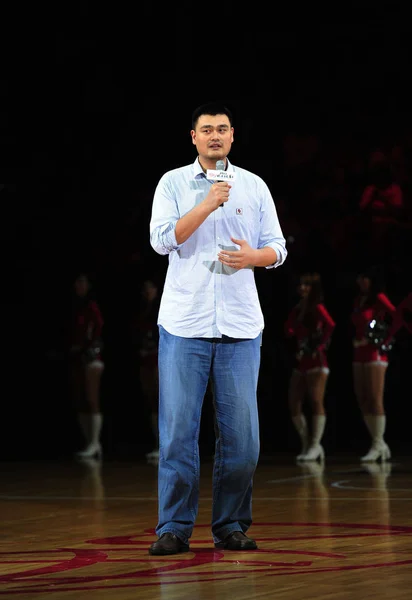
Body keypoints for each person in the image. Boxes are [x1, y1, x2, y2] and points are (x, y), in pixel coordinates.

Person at [148, 102, 287, 556]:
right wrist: (207, 203)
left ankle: (230, 524)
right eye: (206, 129)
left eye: (222, 129)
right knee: (177, 435)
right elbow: (163, 240)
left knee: (243, 441)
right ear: (193, 137)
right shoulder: (172, 183)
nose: (214, 136)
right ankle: (173, 527)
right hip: (185, 324)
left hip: (241, 326)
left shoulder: (254, 185)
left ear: (233, 136)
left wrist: (255, 258)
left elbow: (278, 249)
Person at [285, 272, 335, 462]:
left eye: (307, 285)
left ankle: (316, 444)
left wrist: (319, 345)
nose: (303, 288)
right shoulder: (298, 308)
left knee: (315, 400)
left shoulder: (318, 307)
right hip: (301, 360)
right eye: (301, 285)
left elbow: (331, 325)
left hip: (317, 360)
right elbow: (288, 330)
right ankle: (307, 442)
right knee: (294, 402)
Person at [351, 267, 396, 462]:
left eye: (365, 277)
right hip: (359, 351)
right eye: (359, 277)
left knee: (375, 397)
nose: (361, 281)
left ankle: (378, 443)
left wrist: (384, 339)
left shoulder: (379, 297)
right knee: (363, 397)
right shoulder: (359, 300)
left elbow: (396, 316)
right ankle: (378, 443)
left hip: (375, 353)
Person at [68, 273, 105, 461]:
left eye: (82, 282)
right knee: (80, 399)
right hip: (76, 358)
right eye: (77, 282)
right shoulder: (74, 307)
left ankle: (95, 442)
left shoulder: (92, 307)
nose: (79, 286)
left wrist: (89, 349)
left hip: (92, 358)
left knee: (92, 399)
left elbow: (99, 330)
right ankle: (89, 442)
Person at [136, 278, 161, 464]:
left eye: (149, 288)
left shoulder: (160, 308)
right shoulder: (142, 311)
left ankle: (164, 445)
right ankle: (157, 443)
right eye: (144, 289)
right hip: (145, 358)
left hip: (159, 358)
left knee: (162, 399)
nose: (147, 292)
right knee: (151, 399)